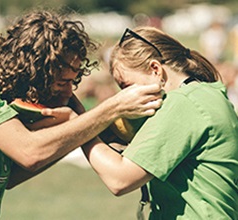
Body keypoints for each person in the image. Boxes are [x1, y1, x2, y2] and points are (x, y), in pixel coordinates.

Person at [0, 11, 162, 219]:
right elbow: (28, 152)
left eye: (73, 81)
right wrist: (112, 108)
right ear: (33, 71)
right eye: (62, 82)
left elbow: (8, 175)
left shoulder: (5, 92)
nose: (69, 92)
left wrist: (77, 125)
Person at [82, 26, 238, 219]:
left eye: (126, 86)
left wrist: (79, 123)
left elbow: (119, 179)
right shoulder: (205, 94)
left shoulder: (184, 103)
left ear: (156, 69)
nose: (124, 96)